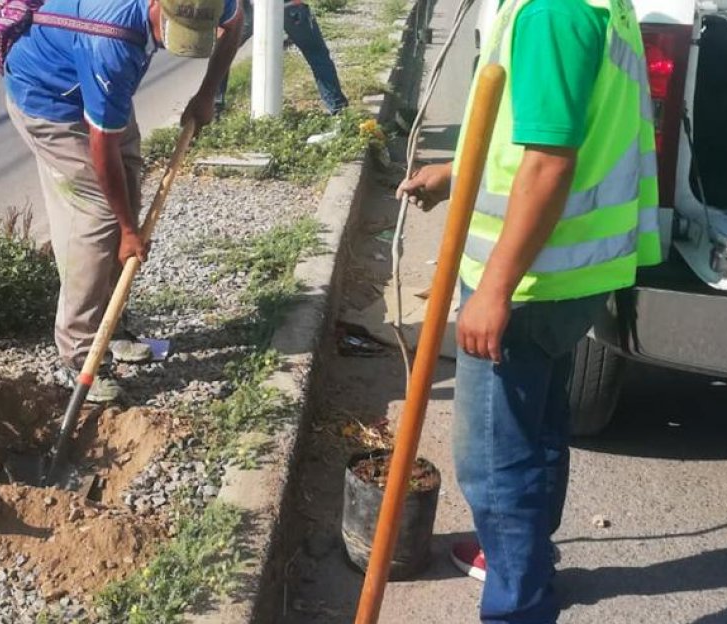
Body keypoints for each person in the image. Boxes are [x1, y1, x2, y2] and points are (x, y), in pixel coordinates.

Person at [397, 0, 660, 621]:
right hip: (571, 272)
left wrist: (495, 289)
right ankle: (524, 560)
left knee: (495, 463)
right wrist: (455, 173)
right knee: (537, 432)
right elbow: (541, 129)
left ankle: (516, 605)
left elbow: (548, 163)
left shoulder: (552, 13)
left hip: (529, 284)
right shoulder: (593, 7)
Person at [5, 0, 242, 402]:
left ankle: (109, 324)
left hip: (94, 86)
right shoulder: (110, 38)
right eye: (172, 28)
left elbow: (234, 24)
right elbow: (102, 148)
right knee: (99, 215)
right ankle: (78, 355)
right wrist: (128, 230)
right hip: (48, 99)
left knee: (128, 190)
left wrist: (207, 94)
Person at [213, 0, 349, 117]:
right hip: (288, 6)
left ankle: (214, 109)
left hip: (250, 7)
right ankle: (338, 108)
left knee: (221, 54)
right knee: (317, 55)